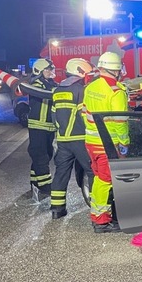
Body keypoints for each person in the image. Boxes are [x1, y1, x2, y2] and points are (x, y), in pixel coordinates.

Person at [81, 51, 130, 233]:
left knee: (98, 178)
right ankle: (101, 220)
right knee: (105, 180)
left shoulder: (91, 87)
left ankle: (99, 215)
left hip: (92, 143)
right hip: (108, 144)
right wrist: (124, 145)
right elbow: (121, 122)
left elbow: (85, 113)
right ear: (116, 70)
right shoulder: (116, 92)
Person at [48, 58, 96, 219]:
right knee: (92, 171)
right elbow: (86, 116)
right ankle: (98, 208)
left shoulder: (57, 91)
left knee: (61, 173)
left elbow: (54, 115)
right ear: (80, 72)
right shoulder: (81, 90)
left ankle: (57, 209)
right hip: (80, 138)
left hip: (63, 141)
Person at [26, 58, 57, 200]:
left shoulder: (51, 84)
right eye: (48, 69)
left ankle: (35, 181)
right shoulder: (36, 85)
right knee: (40, 155)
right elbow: (46, 94)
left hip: (49, 127)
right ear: (39, 71)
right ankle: (45, 186)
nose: (51, 72)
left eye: (51, 69)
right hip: (38, 126)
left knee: (47, 154)